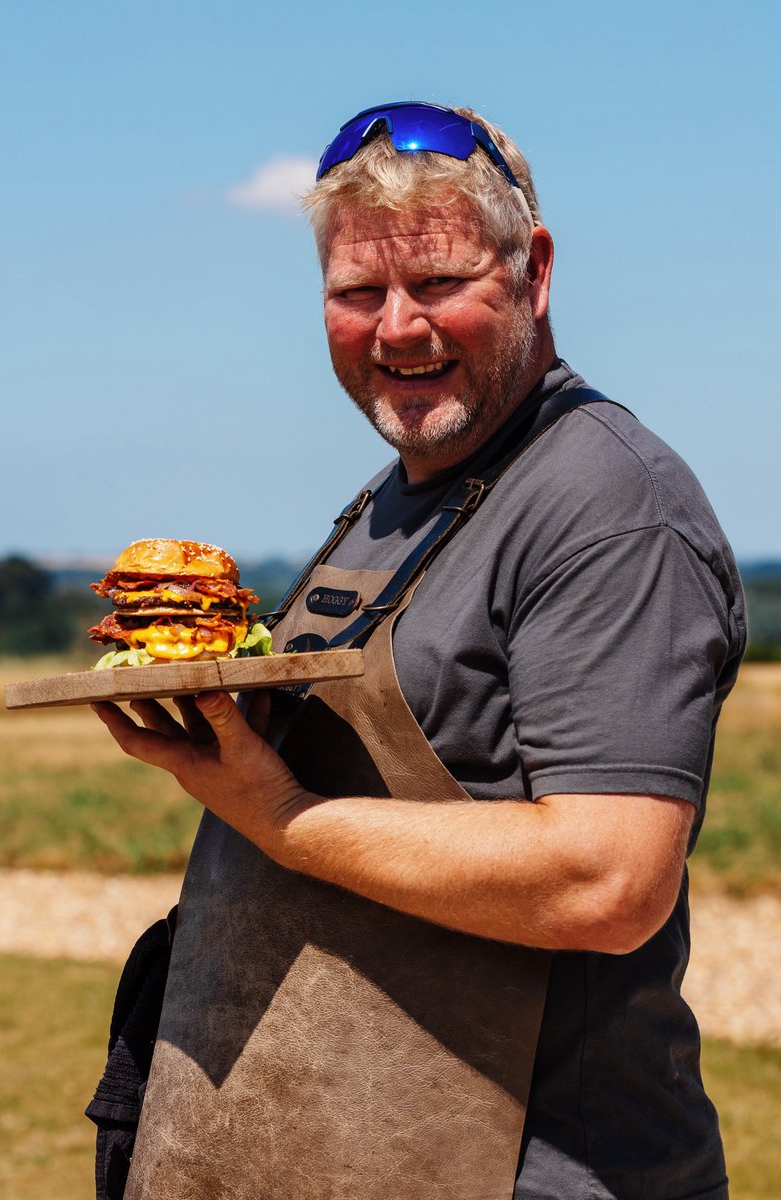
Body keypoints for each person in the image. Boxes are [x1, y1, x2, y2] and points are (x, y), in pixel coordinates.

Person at [92, 102, 745, 1200]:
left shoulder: (605, 505)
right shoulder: (394, 497)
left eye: (438, 281)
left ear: (534, 271)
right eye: (357, 293)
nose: (397, 328)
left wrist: (279, 815)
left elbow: (608, 880)